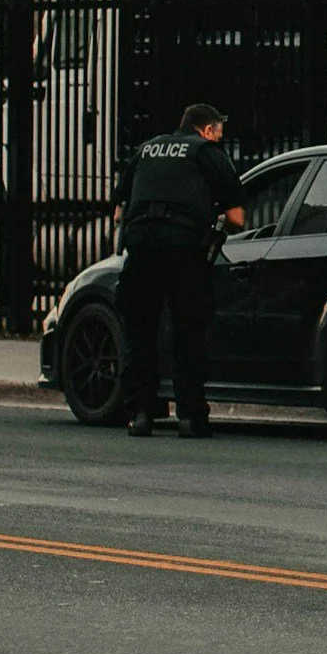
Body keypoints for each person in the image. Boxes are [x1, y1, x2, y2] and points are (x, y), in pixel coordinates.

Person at [113, 102, 245, 439]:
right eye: (219, 130)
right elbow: (236, 218)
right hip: (183, 248)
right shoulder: (206, 153)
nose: (220, 137)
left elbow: (118, 213)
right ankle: (190, 417)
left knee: (139, 329)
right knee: (189, 330)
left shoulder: (147, 149)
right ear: (206, 129)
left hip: (141, 244)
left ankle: (140, 415)